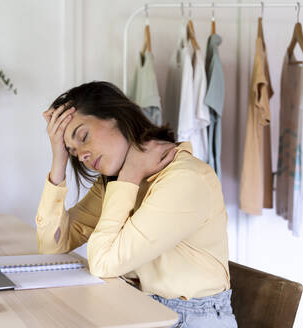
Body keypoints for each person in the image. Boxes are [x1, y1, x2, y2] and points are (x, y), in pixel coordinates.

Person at [36, 81, 237, 328]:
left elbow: (102, 264)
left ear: (117, 116)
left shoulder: (185, 179)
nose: (82, 156)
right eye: (74, 152)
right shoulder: (116, 182)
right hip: (139, 309)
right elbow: (53, 244)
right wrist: (59, 159)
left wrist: (131, 172)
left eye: (83, 136)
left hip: (190, 319)